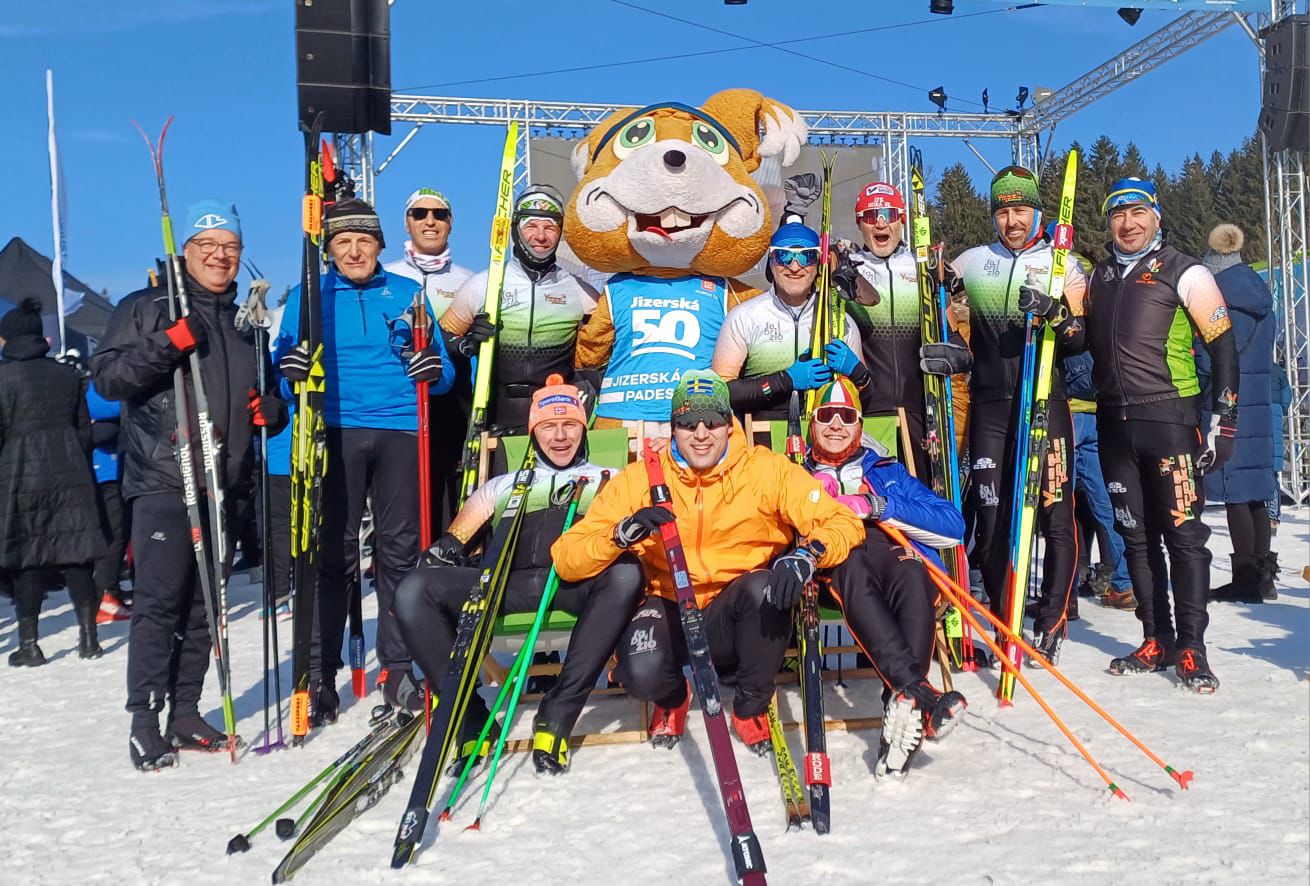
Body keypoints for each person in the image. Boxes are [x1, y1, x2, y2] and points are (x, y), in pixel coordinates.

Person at [551, 370, 864, 755]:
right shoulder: (640, 478)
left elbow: (842, 521)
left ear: (729, 425)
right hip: (669, 606)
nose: (701, 434)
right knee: (640, 672)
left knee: (763, 588)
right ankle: (672, 697)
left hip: (734, 614)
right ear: (673, 428)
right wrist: (620, 533)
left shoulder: (764, 469)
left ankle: (750, 706)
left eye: (712, 422)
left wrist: (808, 555)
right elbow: (567, 557)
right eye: (688, 423)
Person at [92, 200, 286, 769]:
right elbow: (108, 378)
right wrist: (169, 342)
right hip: (164, 477)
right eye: (208, 246)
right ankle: (143, 721)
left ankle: (184, 712)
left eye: (230, 247)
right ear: (186, 252)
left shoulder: (247, 323)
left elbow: (268, 394)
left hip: (227, 484)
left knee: (207, 606)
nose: (220, 257)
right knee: (159, 604)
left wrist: (271, 410)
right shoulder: (148, 306)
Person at [393, 376, 643, 774]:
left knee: (627, 573)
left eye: (570, 425)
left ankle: (557, 714)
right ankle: (470, 718)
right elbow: (453, 542)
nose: (560, 436)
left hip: (577, 585)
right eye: (548, 426)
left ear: (584, 428)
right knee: (412, 590)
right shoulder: (501, 485)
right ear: (532, 431)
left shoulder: (611, 479)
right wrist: (438, 558)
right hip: (506, 586)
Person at [275, 197, 455, 722]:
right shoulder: (308, 296)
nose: (354, 251)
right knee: (334, 553)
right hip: (335, 428)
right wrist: (289, 371)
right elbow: (283, 377)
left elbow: (443, 374)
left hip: (400, 427)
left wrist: (431, 368)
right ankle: (320, 674)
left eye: (364, 241)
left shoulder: (407, 293)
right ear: (329, 249)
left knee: (400, 551)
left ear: (379, 244)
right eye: (342, 242)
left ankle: (397, 668)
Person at [1081, 179, 1238, 693]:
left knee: (1183, 536)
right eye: (1118, 214)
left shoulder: (1185, 270)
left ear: (1156, 216)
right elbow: (1076, 338)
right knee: (1135, 536)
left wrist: (1225, 418)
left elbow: (1223, 347)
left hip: (1169, 419)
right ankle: (1156, 638)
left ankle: (1192, 646)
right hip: (1113, 423)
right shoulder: (1099, 276)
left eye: (1137, 213)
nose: (1128, 224)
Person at [945, 166, 1087, 663]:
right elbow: (944, 314)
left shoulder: (1062, 263)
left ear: (1037, 212)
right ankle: (1006, 617)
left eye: (1021, 210)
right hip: (990, 407)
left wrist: (1055, 313)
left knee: (1054, 513)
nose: (1012, 221)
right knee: (990, 518)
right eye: (1003, 212)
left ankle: (1051, 620)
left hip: (1045, 401)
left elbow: (1079, 339)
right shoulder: (972, 262)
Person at [801, 377, 966, 779]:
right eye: (826, 416)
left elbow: (952, 525)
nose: (836, 425)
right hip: (837, 557)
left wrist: (881, 505)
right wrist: (814, 505)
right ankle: (919, 693)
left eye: (846, 417)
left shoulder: (885, 470)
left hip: (890, 546)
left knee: (913, 572)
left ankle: (903, 703)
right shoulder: (796, 474)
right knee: (852, 569)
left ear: (859, 426)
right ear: (812, 424)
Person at [441, 185, 598, 435]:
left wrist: (590, 384)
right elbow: (443, 336)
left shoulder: (578, 290)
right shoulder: (483, 284)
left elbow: (605, 341)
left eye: (550, 227)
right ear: (515, 229)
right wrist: (466, 344)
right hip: (500, 413)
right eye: (531, 226)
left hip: (557, 412)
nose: (541, 236)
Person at [0, 298, 106, 667]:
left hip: (18, 473)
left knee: (28, 558)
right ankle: (89, 639)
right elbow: (84, 430)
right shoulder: (67, 375)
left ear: (8, 338)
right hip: (71, 469)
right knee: (76, 554)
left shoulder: (2, 378)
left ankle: (29, 645)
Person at [834, 182, 946, 479]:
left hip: (920, 404)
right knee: (872, 490)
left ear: (902, 220)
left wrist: (957, 352)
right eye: (871, 216)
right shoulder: (848, 269)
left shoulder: (920, 268)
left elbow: (945, 328)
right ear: (859, 222)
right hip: (868, 403)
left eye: (889, 214)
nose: (881, 223)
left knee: (920, 490)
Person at [1196, 224, 1277, 604]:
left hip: (1232, 404)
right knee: (1256, 492)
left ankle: (1246, 580)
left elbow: (1220, 354)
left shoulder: (1227, 301)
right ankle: (1264, 577)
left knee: (1236, 493)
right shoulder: (1258, 294)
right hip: (1258, 402)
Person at [384, 188, 474, 529]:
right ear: (407, 223)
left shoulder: (469, 280)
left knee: (446, 490)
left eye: (439, 214)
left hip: (450, 400)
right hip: (401, 400)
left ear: (451, 223)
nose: (430, 221)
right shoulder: (388, 276)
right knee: (401, 491)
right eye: (419, 214)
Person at [712, 223, 867, 421]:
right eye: (784, 256)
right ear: (771, 261)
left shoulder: (840, 320)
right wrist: (785, 381)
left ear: (818, 264)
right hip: (763, 435)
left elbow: (865, 398)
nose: (794, 267)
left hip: (825, 432)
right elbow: (721, 392)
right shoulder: (744, 317)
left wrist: (858, 373)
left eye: (806, 256)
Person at [84, 372, 133, 624]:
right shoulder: (99, 383)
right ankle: (105, 595)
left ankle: (111, 591)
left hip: (114, 470)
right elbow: (97, 405)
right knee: (116, 534)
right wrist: (131, 398)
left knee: (120, 533)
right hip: (108, 471)